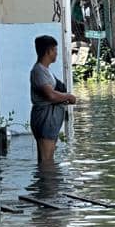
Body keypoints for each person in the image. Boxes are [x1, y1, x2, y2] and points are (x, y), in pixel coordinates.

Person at [30, 34, 76, 164]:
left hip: (50, 118)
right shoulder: (39, 71)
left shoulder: (46, 70)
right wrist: (68, 96)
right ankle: (47, 182)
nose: (56, 54)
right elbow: (50, 95)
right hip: (45, 118)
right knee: (46, 160)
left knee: (49, 158)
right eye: (55, 50)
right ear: (49, 51)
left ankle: (49, 182)